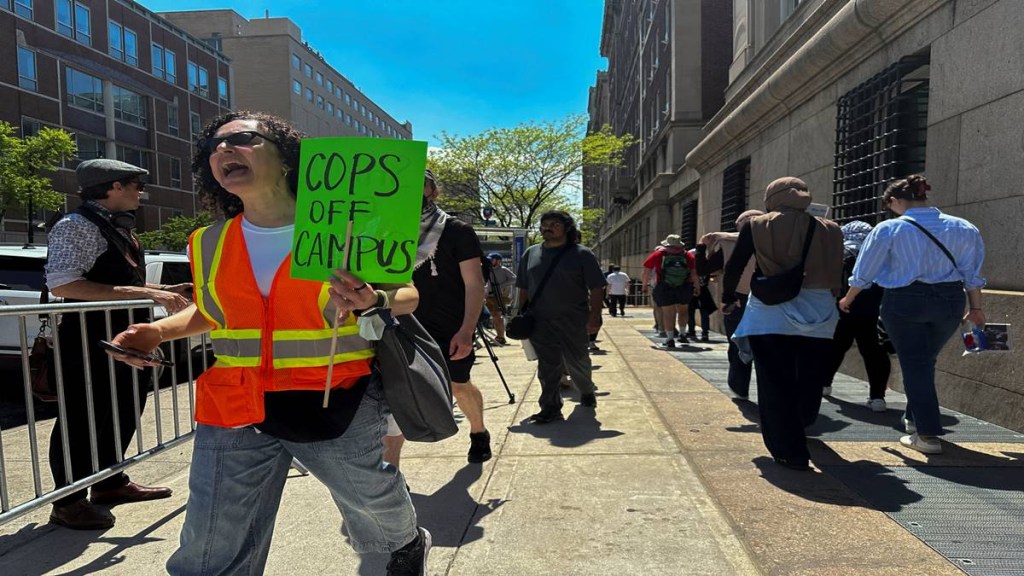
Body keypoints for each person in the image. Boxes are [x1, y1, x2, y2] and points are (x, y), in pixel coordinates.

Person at [106, 112, 430, 574]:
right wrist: (158, 331)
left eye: (242, 139)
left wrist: (373, 297)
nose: (223, 150)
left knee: (374, 508)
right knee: (210, 539)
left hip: (335, 398)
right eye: (214, 147)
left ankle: (406, 543)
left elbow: (408, 294)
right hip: (234, 405)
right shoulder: (207, 242)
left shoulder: (348, 227)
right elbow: (216, 312)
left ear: (286, 159)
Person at [44, 159, 190, 530]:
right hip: (87, 339)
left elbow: (116, 276)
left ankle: (109, 483)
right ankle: (68, 501)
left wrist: (162, 290)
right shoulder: (75, 225)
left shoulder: (114, 225)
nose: (140, 193)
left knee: (124, 409)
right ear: (111, 187)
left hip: (124, 336)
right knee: (83, 417)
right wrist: (142, 292)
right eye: (135, 185)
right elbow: (63, 284)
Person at [840, 174, 986, 455]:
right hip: (950, 300)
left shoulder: (888, 229)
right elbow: (972, 273)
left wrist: (848, 298)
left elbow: (864, 272)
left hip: (905, 301)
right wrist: (976, 308)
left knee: (916, 362)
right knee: (923, 360)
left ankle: (927, 434)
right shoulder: (964, 227)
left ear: (895, 201)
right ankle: (913, 418)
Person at [721, 177, 843, 471]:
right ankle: (802, 423)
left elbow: (736, 264)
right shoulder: (830, 228)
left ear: (772, 197)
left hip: (771, 311)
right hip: (819, 310)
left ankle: (790, 451)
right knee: (810, 374)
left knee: (775, 381)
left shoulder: (758, 225)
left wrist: (727, 297)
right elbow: (838, 268)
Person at [384, 169, 492, 467]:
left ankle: (478, 431)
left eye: (420, 184)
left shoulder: (457, 231)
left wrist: (467, 330)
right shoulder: (386, 229)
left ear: (433, 191)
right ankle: (390, 474)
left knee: (459, 385)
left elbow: (474, 284)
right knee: (396, 396)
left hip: (450, 326)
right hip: (401, 327)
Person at [517, 211, 606, 423]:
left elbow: (596, 287)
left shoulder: (582, 254)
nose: (547, 228)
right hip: (540, 320)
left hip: (573, 319)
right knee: (548, 365)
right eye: (544, 224)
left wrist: (595, 316)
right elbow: (523, 286)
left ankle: (586, 390)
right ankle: (550, 407)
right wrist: (521, 313)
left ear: (566, 228)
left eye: (554, 224)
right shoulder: (531, 253)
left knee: (577, 360)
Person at [826, 221, 890, 409]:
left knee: (835, 348)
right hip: (874, 310)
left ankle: (824, 384)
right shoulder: (881, 254)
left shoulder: (840, 252)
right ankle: (878, 397)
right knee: (874, 353)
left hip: (842, 308)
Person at [701, 210, 764, 399]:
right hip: (767, 296)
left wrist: (701, 246)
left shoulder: (725, 242)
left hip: (736, 297)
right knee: (766, 345)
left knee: (737, 343)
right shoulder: (773, 237)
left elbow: (706, 268)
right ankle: (769, 393)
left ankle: (739, 388)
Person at [642, 234, 700, 348]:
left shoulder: (658, 254)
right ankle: (683, 334)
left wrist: (644, 285)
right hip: (684, 286)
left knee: (668, 313)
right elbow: (694, 273)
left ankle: (669, 338)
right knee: (683, 311)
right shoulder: (687, 255)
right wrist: (697, 287)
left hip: (665, 286)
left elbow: (646, 271)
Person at [484, 252, 516, 345]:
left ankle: (501, 337)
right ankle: (498, 336)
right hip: (489, 296)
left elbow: (514, 279)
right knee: (493, 316)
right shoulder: (487, 270)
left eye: (492, 259)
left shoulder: (503, 269)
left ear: (498, 261)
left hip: (500, 297)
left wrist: (501, 286)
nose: (490, 261)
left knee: (497, 316)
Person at [686, 247, 716, 342]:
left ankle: (692, 331)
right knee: (704, 312)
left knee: (690, 312)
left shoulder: (689, 266)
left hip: (691, 289)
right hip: (703, 290)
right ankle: (704, 333)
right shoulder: (705, 265)